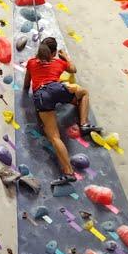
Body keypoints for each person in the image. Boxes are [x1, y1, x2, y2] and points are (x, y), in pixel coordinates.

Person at [22, 37, 102, 186]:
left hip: (42, 95)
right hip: (57, 88)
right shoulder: (59, 62)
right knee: (83, 93)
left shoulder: (32, 63)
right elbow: (73, 69)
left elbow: (26, 85)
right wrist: (66, 57)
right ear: (53, 53)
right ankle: (84, 123)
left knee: (54, 136)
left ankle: (68, 172)